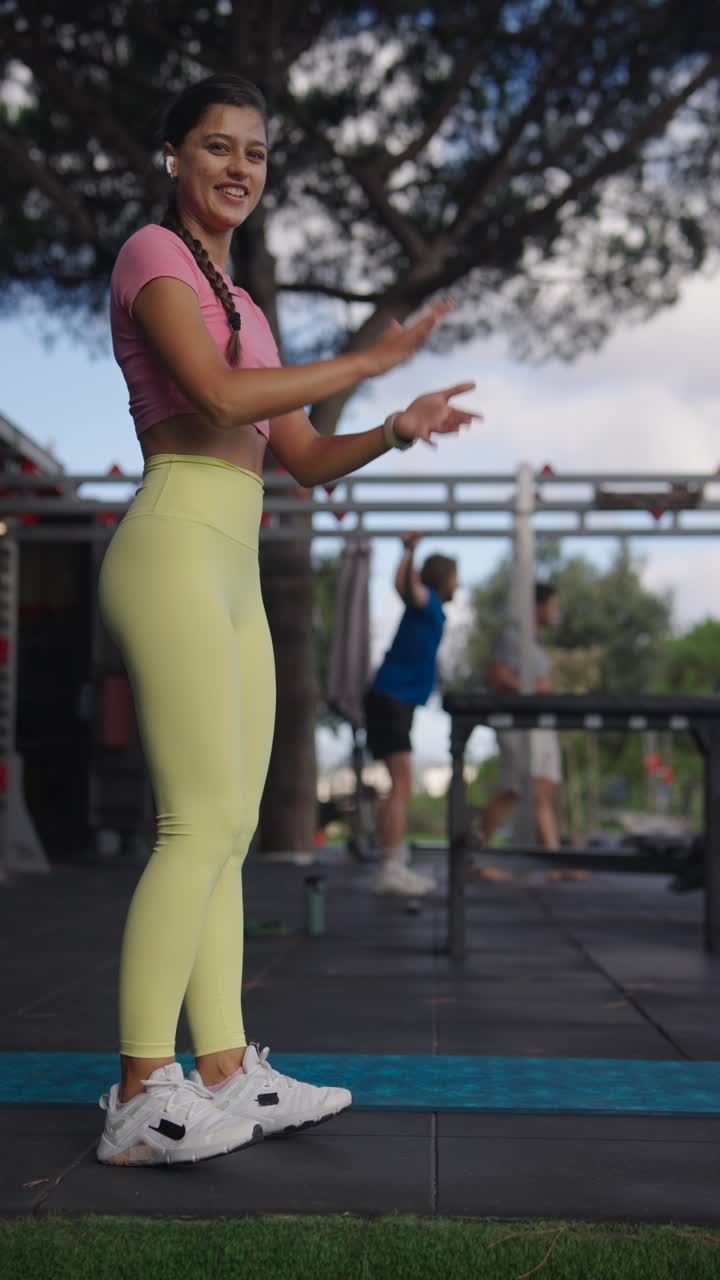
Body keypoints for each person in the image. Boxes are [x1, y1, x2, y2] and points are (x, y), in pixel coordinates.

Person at [95, 73, 479, 1167]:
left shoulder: (250, 305)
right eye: (217, 146)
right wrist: (365, 359)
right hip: (172, 541)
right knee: (194, 822)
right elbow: (217, 400)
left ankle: (222, 1068)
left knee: (228, 829)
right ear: (173, 156)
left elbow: (302, 456)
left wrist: (394, 425)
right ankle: (136, 1091)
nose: (239, 168)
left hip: (234, 560)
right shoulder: (149, 256)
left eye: (256, 154)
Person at [363, 533, 458, 896]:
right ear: (444, 579)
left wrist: (408, 554)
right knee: (402, 782)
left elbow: (404, 586)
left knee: (400, 781)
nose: (458, 583)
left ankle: (392, 866)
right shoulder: (428, 602)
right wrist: (408, 550)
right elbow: (404, 585)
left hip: (394, 700)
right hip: (390, 699)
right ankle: (390, 868)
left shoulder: (430, 607)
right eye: (456, 576)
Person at [472, 582, 584, 881]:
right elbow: (496, 677)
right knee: (513, 789)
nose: (555, 612)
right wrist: (534, 690)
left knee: (544, 792)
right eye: (553, 606)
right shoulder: (511, 638)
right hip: (518, 725)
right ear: (538, 606)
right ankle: (478, 858)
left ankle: (554, 863)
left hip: (541, 724)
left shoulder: (536, 644)